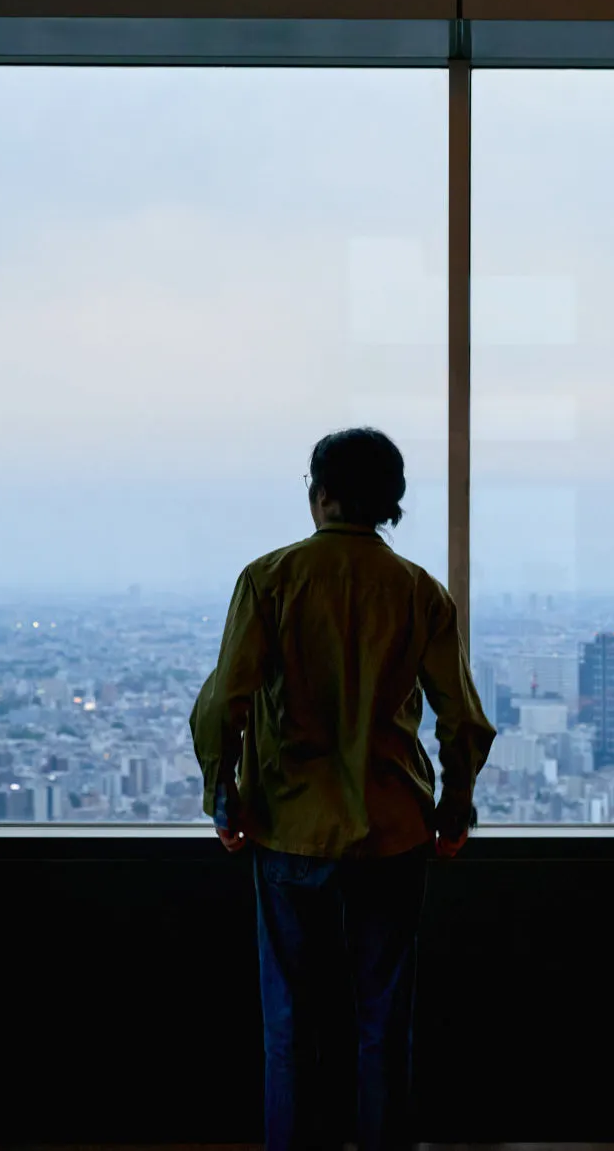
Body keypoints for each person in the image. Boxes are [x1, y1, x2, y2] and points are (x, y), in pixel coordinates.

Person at [191, 428, 495, 1151]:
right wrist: (453, 810)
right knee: (381, 1026)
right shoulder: (421, 591)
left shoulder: (270, 579)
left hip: (287, 828)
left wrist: (223, 796)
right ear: (392, 502)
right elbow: (464, 720)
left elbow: (218, 707)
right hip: (393, 831)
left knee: (291, 1025)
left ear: (317, 492)